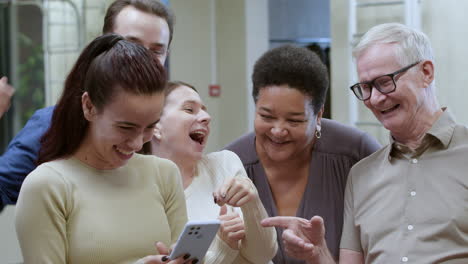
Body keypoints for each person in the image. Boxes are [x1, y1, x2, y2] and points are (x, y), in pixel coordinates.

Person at [262, 23, 468, 263]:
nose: (376, 98)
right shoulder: (361, 175)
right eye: (366, 87)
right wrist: (318, 254)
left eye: (385, 81)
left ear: (426, 73)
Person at [15, 34, 189, 264]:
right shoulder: (48, 186)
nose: (137, 143)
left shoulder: (164, 174)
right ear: (89, 106)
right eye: (126, 127)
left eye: (150, 127)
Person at [0, 0, 174, 212]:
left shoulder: (170, 124)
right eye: (133, 45)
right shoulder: (53, 125)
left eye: (156, 51)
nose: (143, 58)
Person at [224, 45, 381, 263]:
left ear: (318, 115)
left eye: (294, 120)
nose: (278, 130)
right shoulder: (229, 164)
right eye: (267, 116)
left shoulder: (356, 153)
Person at [150, 81, 278, 263]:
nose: (206, 117)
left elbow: (264, 255)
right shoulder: (147, 198)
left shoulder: (225, 162)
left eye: (204, 110)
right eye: (189, 109)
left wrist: (252, 203)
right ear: (156, 126)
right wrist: (224, 245)